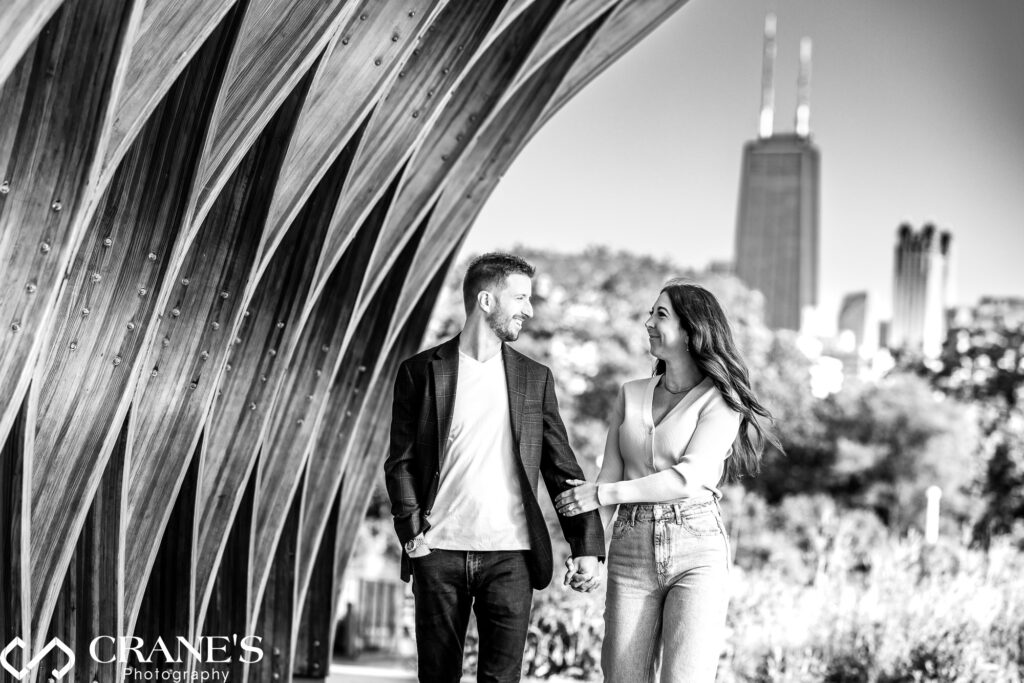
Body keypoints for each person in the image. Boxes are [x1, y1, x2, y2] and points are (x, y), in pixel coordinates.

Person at [384, 252, 605, 683]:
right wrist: (413, 537)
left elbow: (561, 468)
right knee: (437, 676)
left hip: (511, 556)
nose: (529, 309)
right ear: (486, 301)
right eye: (520, 298)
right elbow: (401, 463)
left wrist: (587, 547)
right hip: (438, 553)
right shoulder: (421, 372)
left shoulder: (534, 378)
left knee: (502, 680)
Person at [556, 280, 780, 682]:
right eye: (650, 313)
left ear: (693, 331)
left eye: (660, 315)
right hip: (630, 547)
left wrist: (602, 494)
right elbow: (610, 472)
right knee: (621, 676)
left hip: (697, 545)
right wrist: (591, 551)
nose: (648, 323)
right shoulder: (631, 394)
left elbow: (686, 479)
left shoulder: (721, 400)